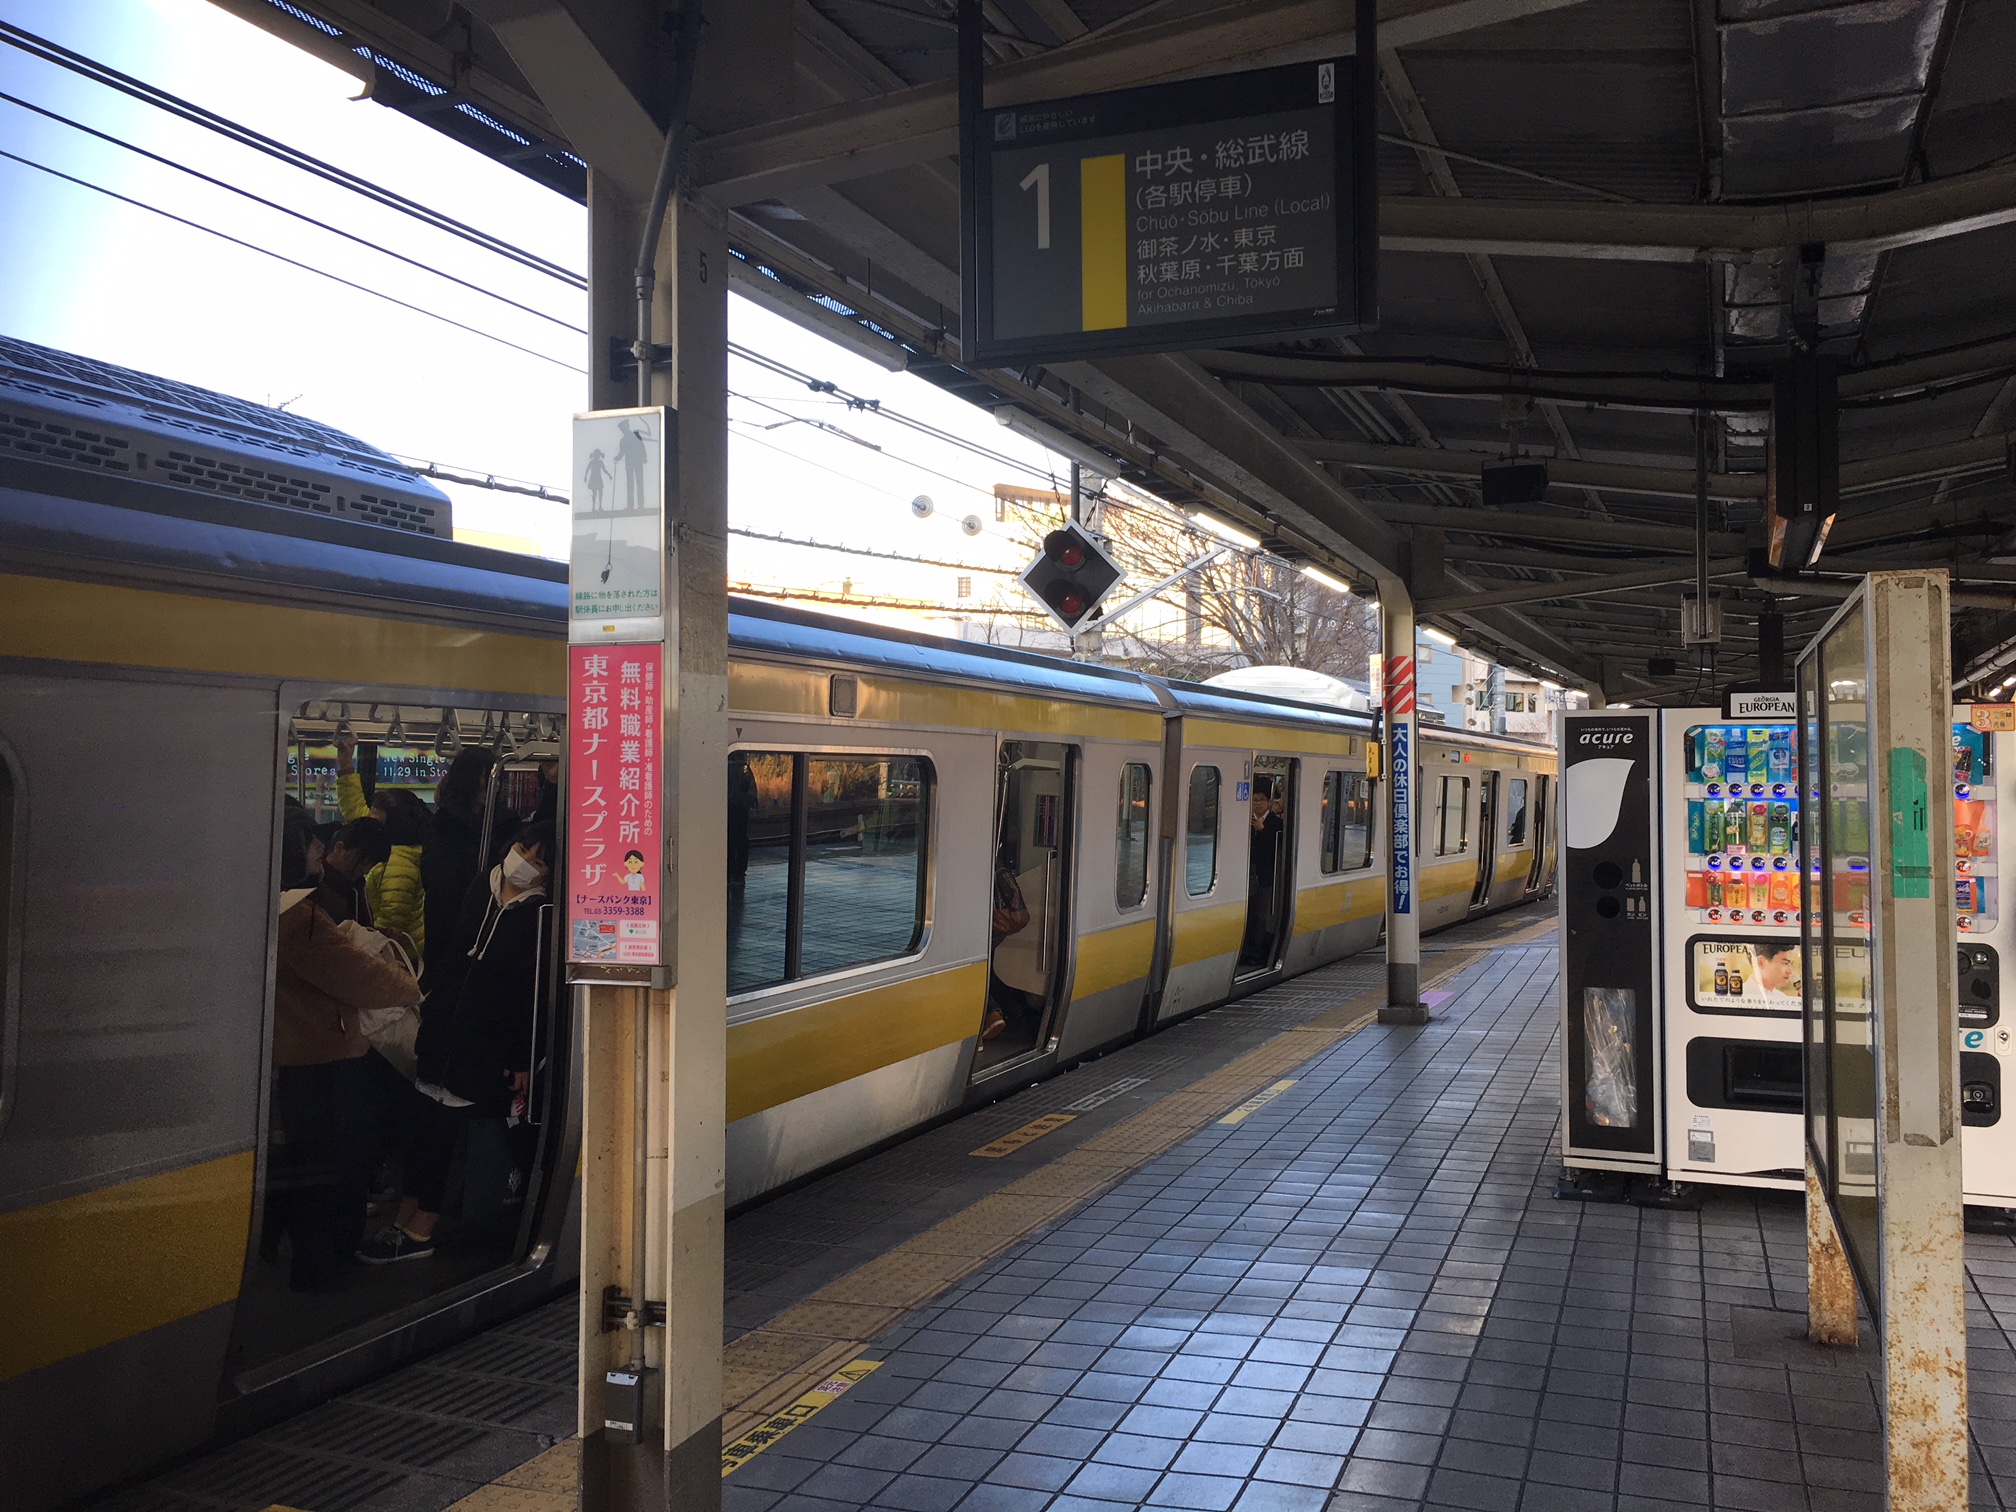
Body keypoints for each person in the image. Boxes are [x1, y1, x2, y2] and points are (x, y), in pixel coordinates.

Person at [359, 822, 554, 1264]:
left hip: (487, 1043)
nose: (524, 860)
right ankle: (405, 1219)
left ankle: (423, 1227)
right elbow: (450, 951)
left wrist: (524, 1056)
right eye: (523, 847)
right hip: (445, 1027)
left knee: (446, 1134)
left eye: (538, 860)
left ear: (548, 873)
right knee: (424, 1125)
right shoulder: (480, 889)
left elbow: (531, 993)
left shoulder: (539, 915)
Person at [270, 806, 420, 1290]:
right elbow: (362, 978)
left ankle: (309, 1257)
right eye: (312, 842)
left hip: (297, 1054)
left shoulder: (280, 908)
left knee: (311, 1164)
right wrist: (407, 983)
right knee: (337, 1167)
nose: (322, 848)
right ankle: (322, 1266)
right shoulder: (299, 920)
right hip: (325, 1057)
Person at [334, 739, 431, 955]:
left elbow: (391, 922)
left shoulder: (398, 865)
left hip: (398, 955)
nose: (368, 817)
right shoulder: (383, 839)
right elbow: (356, 811)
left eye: (375, 815)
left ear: (390, 824)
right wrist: (346, 765)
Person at [423, 748, 495, 982]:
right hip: (452, 924)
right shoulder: (447, 827)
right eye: (487, 777)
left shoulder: (493, 821)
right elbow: (440, 884)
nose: (493, 784)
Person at [1241, 785, 1285, 968]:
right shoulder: (1245, 820)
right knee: (1248, 914)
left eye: (1261, 800)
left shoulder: (1276, 823)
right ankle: (1245, 950)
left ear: (1269, 803)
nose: (1257, 804)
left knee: (1260, 915)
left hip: (1266, 876)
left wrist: (1262, 829)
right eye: (1255, 800)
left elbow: (1279, 846)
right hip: (1247, 874)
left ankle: (1257, 953)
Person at [317, 816, 389, 927]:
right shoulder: (315, 885)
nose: (366, 870)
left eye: (372, 865)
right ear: (339, 848)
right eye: (362, 863)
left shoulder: (356, 886)